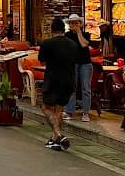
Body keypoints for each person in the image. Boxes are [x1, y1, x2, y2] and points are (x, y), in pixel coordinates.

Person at [38, 18, 79, 151]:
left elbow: (42, 62)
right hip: (69, 80)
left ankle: (59, 135)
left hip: (53, 80)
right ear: (64, 29)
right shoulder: (73, 44)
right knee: (58, 110)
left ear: (52, 29)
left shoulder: (47, 43)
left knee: (45, 107)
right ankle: (55, 140)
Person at [64, 14, 93, 122]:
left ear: (80, 24)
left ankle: (85, 113)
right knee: (72, 88)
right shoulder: (67, 35)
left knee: (86, 89)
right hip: (72, 64)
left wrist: (79, 32)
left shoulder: (86, 34)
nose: (73, 25)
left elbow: (84, 44)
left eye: (76, 23)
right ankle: (69, 111)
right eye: (71, 23)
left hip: (85, 64)